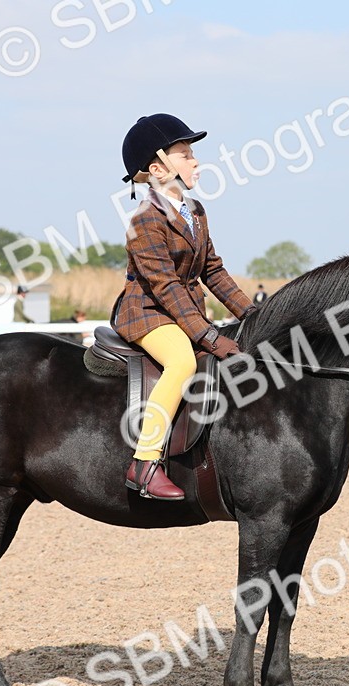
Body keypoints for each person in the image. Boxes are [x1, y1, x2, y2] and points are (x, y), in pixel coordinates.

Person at [112, 113, 255, 500]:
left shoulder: (196, 212)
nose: (196, 162)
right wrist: (208, 336)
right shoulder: (143, 220)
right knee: (183, 362)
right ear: (158, 168)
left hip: (180, 312)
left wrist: (253, 313)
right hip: (147, 313)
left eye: (193, 154)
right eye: (186, 154)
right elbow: (166, 286)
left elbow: (214, 270)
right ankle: (144, 464)